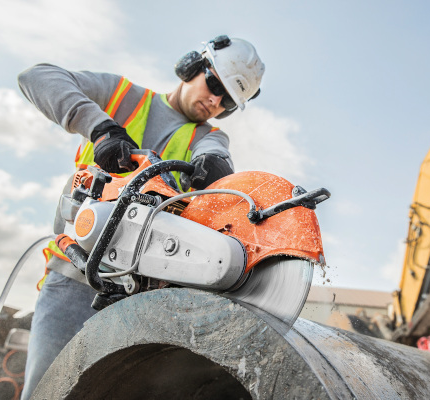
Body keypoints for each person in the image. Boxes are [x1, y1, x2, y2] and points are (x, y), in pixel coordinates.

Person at [17, 35, 265, 399]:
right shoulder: (124, 97)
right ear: (191, 66)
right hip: (73, 276)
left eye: (227, 101)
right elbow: (36, 77)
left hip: (138, 299)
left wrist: (217, 167)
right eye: (215, 85)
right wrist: (101, 130)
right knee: (44, 391)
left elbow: (215, 152)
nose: (215, 101)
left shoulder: (209, 137)